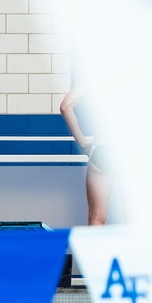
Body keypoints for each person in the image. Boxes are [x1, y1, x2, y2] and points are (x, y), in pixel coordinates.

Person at [60, 88, 111, 226]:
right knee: (135, 219)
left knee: (96, 218)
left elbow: (66, 106)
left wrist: (83, 143)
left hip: (102, 149)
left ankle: (94, 248)